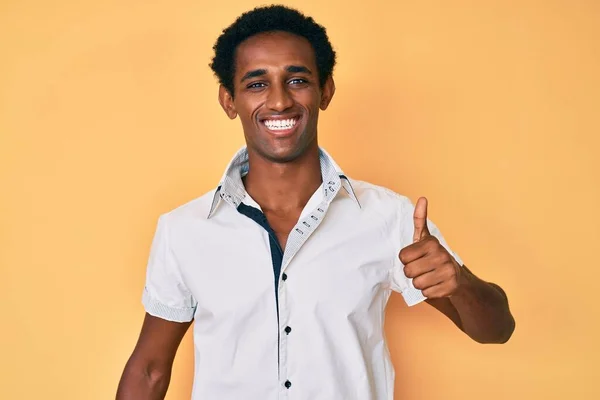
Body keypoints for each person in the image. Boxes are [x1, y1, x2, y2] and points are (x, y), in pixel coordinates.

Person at [116, 5, 515, 400]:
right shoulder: (184, 230)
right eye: (257, 84)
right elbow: (150, 371)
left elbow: (497, 330)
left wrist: (460, 282)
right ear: (229, 100)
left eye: (297, 80)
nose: (278, 102)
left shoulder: (387, 217)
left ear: (325, 91)